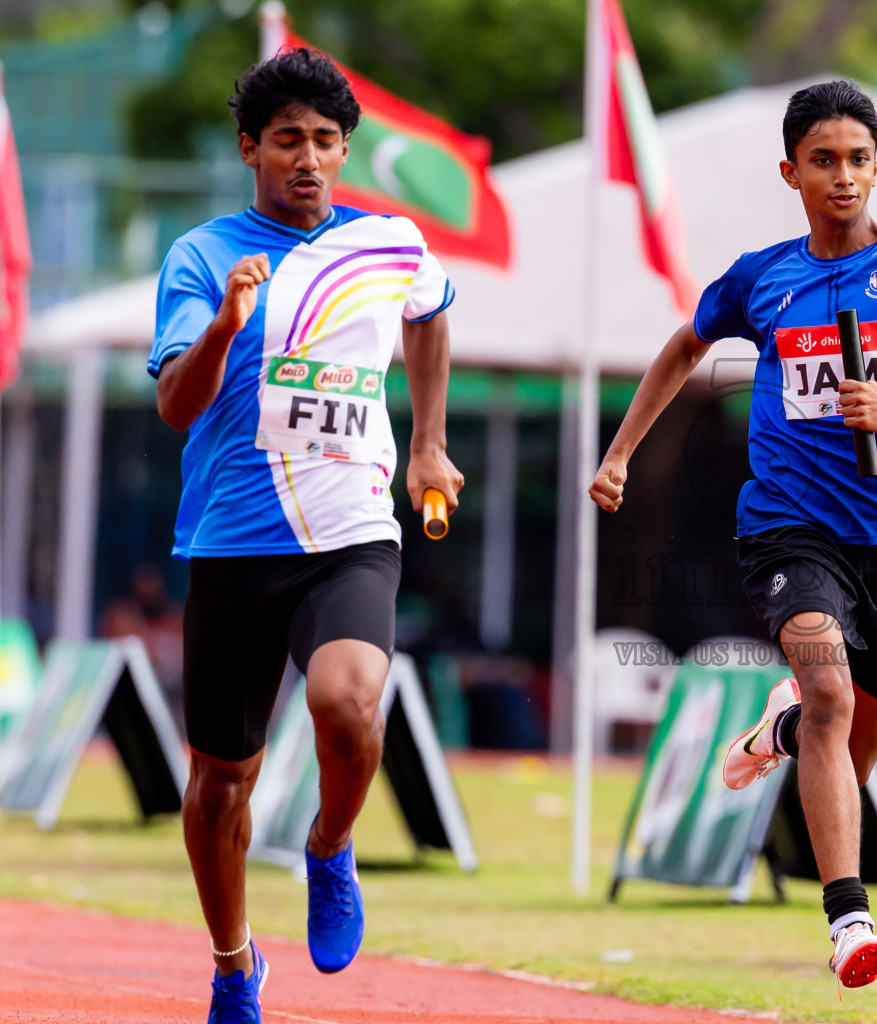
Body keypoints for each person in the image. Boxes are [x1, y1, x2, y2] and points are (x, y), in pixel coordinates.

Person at [588, 80, 877, 988]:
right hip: (790, 525)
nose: (842, 176)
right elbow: (683, 346)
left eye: (858, 159)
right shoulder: (764, 277)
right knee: (828, 692)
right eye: (822, 160)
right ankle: (848, 922)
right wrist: (621, 452)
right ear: (790, 171)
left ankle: (781, 735)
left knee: (851, 747)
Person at [149, 48, 463, 1023]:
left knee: (348, 702)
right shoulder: (204, 256)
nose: (310, 159)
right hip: (233, 542)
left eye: (327, 141)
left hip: (352, 530)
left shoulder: (390, 244)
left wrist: (429, 447)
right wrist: (225, 327)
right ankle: (234, 964)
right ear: (251, 148)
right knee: (216, 788)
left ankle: (330, 844)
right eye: (288, 139)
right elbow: (174, 405)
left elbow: (431, 316)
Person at [99, 563, 185, 718]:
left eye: (154, 592)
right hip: (129, 695)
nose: (149, 595)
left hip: (170, 697)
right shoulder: (121, 618)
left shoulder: (176, 620)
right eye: (144, 594)